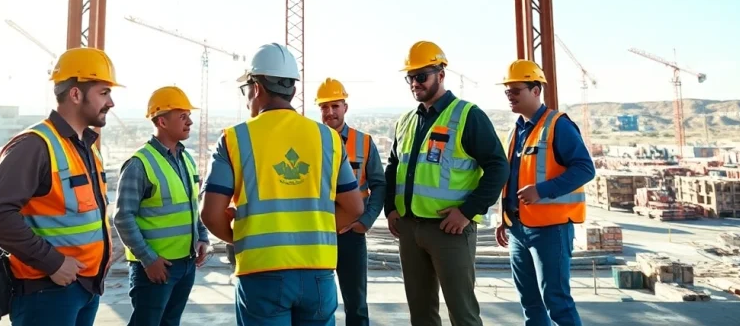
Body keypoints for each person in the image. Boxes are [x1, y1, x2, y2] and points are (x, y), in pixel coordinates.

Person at [200, 43, 365, 326]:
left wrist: (243, 235)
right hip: (318, 271)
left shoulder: (234, 140)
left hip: (261, 273)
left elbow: (210, 213)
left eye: (247, 89)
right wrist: (314, 229)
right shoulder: (329, 139)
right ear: (293, 89)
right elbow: (354, 207)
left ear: (257, 87)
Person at [0, 47, 119, 326]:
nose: (111, 102)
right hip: (47, 292)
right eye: (103, 92)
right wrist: (52, 262)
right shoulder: (34, 146)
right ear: (76, 94)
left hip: (84, 287)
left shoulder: (86, 148)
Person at [384, 41, 509, 326]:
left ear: (441, 74)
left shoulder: (467, 115)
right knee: (421, 314)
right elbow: (393, 166)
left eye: (421, 76)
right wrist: (391, 208)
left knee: (462, 313)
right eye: (410, 77)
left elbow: (498, 167)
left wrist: (467, 212)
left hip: (449, 230)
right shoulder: (406, 121)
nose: (414, 83)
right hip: (410, 227)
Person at [494, 60, 596, 326]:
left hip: (551, 229)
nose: (510, 97)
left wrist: (542, 190)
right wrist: (504, 218)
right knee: (530, 302)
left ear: (536, 89)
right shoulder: (515, 131)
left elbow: (585, 168)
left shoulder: (558, 125)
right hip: (517, 228)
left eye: (516, 91)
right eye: (507, 92)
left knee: (556, 302)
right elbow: (512, 177)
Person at [114, 86, 210, 326]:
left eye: (189, 115)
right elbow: (123, 217)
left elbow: (192, 203)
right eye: (182, 116)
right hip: (156, 268)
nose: (189, 122)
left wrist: (202, 237)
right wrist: (148, 259)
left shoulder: (185, 159)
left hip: (185, 264)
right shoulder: (139, 164)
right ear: (162, 121)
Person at [315, 78, 386, 326]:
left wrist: (366, 221)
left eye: (335, 105)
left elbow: (379, 184)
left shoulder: (364, 142)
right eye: (324, 107)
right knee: (317, 304)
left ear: (345, 107)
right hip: (316, 234)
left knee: (356, 305)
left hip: (351, 235)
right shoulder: (310, 141)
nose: (330, 112)